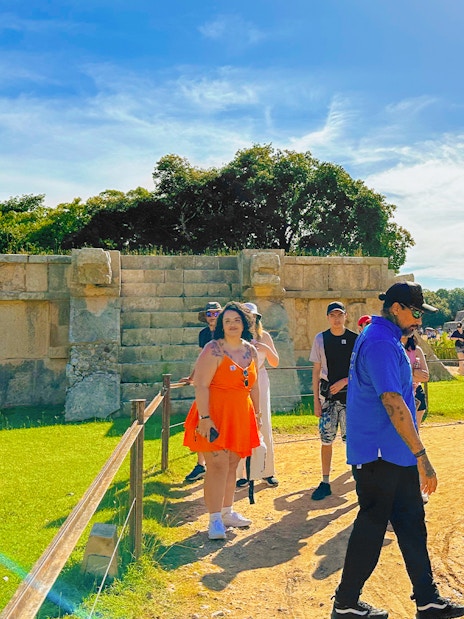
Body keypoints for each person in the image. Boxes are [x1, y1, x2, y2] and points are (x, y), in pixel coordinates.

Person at [331, 281, 464, 619]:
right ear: (396, 308)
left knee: (410, 523)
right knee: (373, 526)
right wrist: (423, 457)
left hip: (391, 451)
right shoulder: (380, 342)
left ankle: (427, 599)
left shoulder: (386, 338)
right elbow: (392, 401)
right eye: (415, 312)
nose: (419, 319)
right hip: (380, 453)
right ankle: (345, 603)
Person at [183, 301, 261, 540]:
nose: (232, 324)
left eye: (236, 320)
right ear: (221, 325)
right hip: (214, 413)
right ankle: (214, 519)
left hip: (240, 413)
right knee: (216, 466)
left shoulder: (251, 350)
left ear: (244, 323)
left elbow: (253, 386)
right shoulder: (212, 349)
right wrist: (205, 419)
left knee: (231, 465)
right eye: (227, 321)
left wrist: (256, 416)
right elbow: (201, 385)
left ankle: (227, 511)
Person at [309, 301, 358, 500]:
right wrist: (315, 400)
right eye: (333, 315)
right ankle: (325, 480)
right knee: (326, 440)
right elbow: (316, 371)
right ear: (328, 317)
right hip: (328, 397)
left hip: (351, 397)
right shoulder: (321, 339)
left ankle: (359, 478)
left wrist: (345, 381)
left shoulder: (355, 338)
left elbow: (361, 369)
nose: (336, 319)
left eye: (340, 315)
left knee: (352, 440)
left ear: (345, 316)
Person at [236, 302, 280, 488]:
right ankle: (241, 473)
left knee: (264, 424)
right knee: (241, 424)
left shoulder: (265, 336)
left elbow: (275, 361)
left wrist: (263, 347)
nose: (251, 320)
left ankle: (266, 471)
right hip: (240, 380)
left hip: (260, 377)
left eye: (254, 317)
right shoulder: (236, 337)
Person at [183, 301, 222, 483]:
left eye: (215, 313)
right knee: (199, 422)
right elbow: (201, 358)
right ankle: (201, 465)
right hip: (206, 383)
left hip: (223, 384)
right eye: (209, 313)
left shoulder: (226, 332)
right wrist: (192, 376)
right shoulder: (204, 334)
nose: (212, 317)